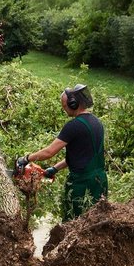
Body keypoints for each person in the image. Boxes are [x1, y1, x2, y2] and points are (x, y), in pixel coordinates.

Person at [16, 84, 108, 220]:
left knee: (75, 223)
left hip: (82, 185)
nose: (64, 110)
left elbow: (49, 152)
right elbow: (82, 155)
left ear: (73, 104)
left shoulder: (73, 126)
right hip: (100, 181)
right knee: (96, 222)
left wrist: (26, 158)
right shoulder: (96, 122)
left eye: (65, 106)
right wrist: (54, 169)